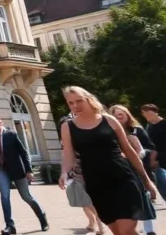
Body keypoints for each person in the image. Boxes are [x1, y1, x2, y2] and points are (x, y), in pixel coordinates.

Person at [59, 87, 156, 235]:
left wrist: (146, 180)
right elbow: (68, 154)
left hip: (122, 178)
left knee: (126, 229)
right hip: (96, 183)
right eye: (70, 103)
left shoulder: (109, 120)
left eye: (79, 101)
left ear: (89, 99)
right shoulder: (67, 127)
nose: (75, 106)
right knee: (117, 232)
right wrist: (64, 172)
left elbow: (129, 151)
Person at [0, 115, 49, 234]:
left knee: (26, 197)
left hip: (17, 170)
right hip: (1, 170)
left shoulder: (11, 135)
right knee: (4, 197)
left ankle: (42, 216)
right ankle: (10, 226)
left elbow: (23, 152)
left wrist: (29, 170)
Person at [109, 105, 157, 235]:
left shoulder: (137, 130)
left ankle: (149, 230)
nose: (119, 117)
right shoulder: (110, 132)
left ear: (127, 115)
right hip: (120, 170)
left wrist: (138, 153)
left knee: (145, 197)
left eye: (121, 114)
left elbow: (149, 147)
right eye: (115, 115)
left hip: (139, 168)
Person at [140, 104, 166, 201]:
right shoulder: (149, 127)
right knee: (161, 185)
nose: (145, 115)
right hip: (155, 160)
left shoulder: (164, 124)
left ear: (155, 112)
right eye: (144, 113)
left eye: (148, 112)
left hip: (161, 158)